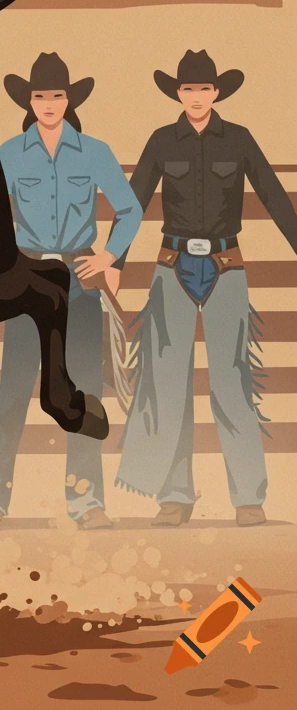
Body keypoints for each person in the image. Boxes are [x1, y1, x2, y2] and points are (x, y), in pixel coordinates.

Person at [116, 50, 296, 528]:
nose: (196, 97)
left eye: (204, 89)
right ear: (178, 93)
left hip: (227, 268)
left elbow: (274, 195)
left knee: (233, 382)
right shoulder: (160, 140)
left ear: (217, 93)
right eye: (188, 89)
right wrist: (114, 261)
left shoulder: (238, 140)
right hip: (171, 268)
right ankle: (174, 496)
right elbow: (133, 203)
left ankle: (248, 498)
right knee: (168, 383)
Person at [0, 53, 141, 531]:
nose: (48, 103)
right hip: (28, 279)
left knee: (83, 387)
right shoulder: (8, 152)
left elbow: (129, 210)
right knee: (14, 388)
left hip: (79, 280)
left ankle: (86, 501)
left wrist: (108, 257)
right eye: (40, 95)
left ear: (69, 100)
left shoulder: (94, 151)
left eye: (57, 95)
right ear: (29, 99)